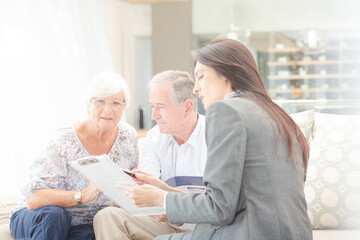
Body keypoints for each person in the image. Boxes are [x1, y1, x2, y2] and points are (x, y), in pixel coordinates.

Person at [119, 39, 313, 240]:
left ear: (226, 73)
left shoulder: (226, 111)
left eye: (201, 76)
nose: (196, 88)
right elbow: (233, 199)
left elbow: (219, 208)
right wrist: (166, 191)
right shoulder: (278, 115)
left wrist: (161, 198)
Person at [9, 72, 138, 240]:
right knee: (54, 216)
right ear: (88, 105)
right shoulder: (64, 140)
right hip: (39, 215)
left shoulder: (128, 137)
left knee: (90, 233)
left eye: (115, 103)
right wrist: (83, 195)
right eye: (100, 101)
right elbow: (33, 199)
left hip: (83, 223)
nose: (108, 109)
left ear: (124, 106)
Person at [93, 70, 207, 240]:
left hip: (208, 226)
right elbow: (149, 191)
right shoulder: (155, 137)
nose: (154, 115)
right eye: (152, 106)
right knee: (107, 216)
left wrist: (172, 206)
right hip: (168, 223)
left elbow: (220, 205)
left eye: (160, 107)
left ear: (187, 107)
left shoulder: (215, 136)